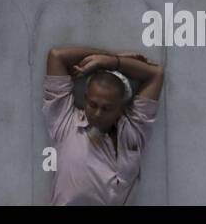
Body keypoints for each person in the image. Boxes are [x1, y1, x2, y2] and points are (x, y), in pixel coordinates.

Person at [42, 45, 163, 206]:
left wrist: (113, 62)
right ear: (85, 99)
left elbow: (156, 74)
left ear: (121, 108)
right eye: (93, 105)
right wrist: (107, 58)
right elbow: (57, 56)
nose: (98, 113)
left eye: (107, 108)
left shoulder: (134, 131)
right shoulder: (64, 122)